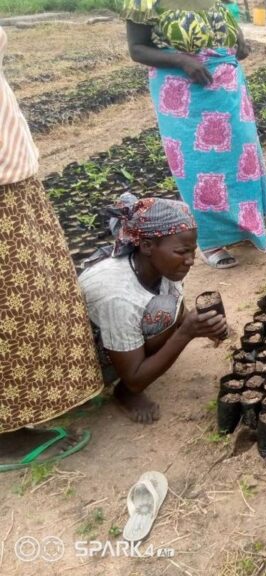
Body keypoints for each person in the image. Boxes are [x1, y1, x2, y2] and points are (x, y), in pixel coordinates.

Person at [0, 25, 104, 472]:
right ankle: (9, 429)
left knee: (28, 305)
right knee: (15, 310)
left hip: (13, 184)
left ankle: (27, 407)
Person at [122, 0, 266, 269]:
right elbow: (137, 49)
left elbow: (226, 25)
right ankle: (210, 241)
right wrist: (181, 60)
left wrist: (238, 41)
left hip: (227, 89)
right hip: (185, 93)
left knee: (242, 163)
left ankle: (244, 228)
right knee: (200, 169)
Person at [79, 193, 227, 424]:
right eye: (181, 252)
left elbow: (178, 306)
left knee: (167, 307)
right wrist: (186, 333)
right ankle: (124, 393)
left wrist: (200, 326)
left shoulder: (161, 264)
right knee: (162, 312)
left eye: (192, 252)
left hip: (119, 338)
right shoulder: (117, 295)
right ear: (147, 246)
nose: (190, 261)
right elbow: (135, 378)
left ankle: (141, 362)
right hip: (89, 361)